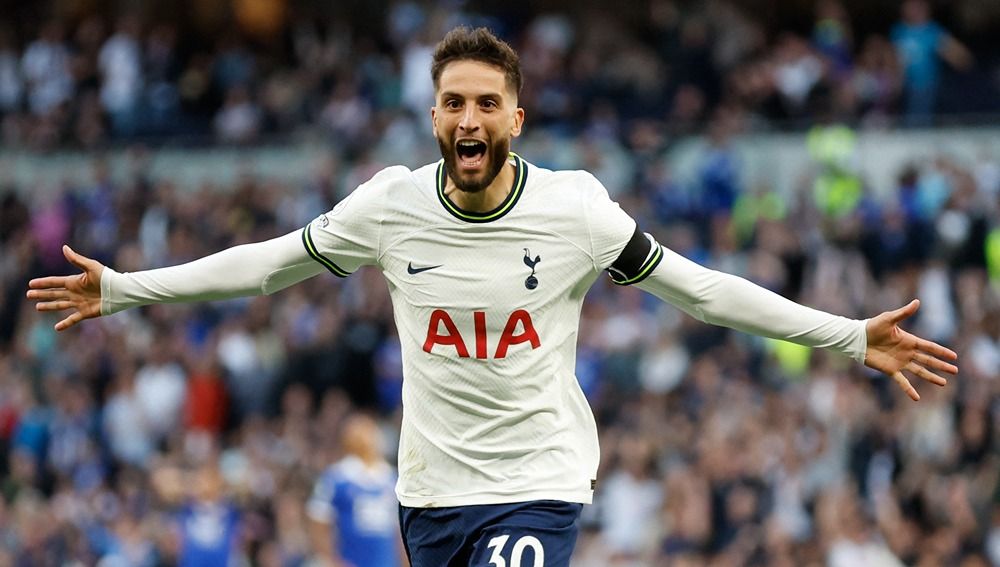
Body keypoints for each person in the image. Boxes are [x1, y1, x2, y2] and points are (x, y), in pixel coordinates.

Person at [27, 26, 958, 567]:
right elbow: (268, 265)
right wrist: (124, 289)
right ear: (434, 116)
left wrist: (846, 337)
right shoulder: (389, 206)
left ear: (516, 117)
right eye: (453, 103)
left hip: (538, 486)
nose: (469, 118)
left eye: (486, 103)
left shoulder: (575, 210)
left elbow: (702, 291)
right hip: (428, 497)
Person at [307, 413, 405, 567]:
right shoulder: (336, 478)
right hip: (351, 560)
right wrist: (334, 561)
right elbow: (317, 523)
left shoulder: (391, 479)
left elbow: (400, 532)